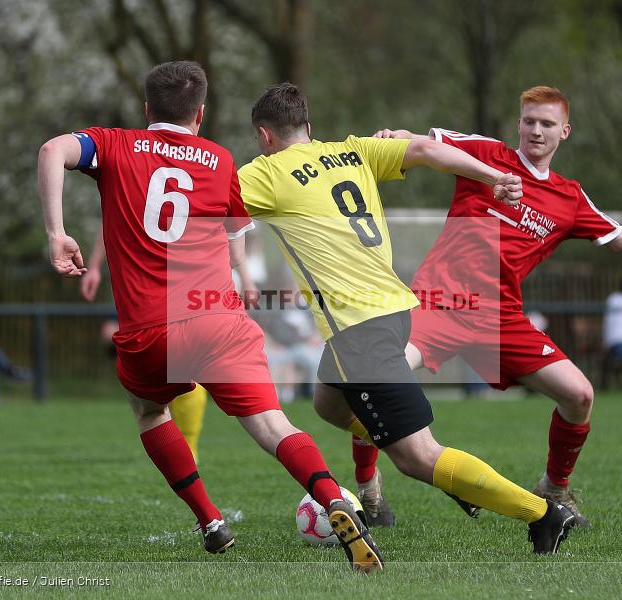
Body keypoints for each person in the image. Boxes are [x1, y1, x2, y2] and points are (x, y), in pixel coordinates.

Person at [37, 61, 382, 572]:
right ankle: (333, 497)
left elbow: (52, 150)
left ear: (146, 108)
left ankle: (210, 520)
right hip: (217, 318)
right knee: (272, 425)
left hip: (151, 329)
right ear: (201, 113)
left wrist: (55, 232)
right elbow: (235, 228)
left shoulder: (114, 143)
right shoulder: (219, 159)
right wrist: (243, 276)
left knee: (150, 411)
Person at [364, 86, 622, 527]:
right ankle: (370, 486)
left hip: (500, 318)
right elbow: (422, 144)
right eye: (529, 120)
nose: (536, 130)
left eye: (546, 124)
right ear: (519, 123)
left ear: (565, 132)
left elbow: (620, 237)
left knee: (579, 395)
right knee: (377, 373)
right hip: (441, 303)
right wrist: (390, 136)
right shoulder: (485, 155)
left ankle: (554, 487)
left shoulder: (569, 198)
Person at [238, 83, 575, 554]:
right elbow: (423, 148)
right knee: (328, 405)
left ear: (264, 136)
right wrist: (490, 175)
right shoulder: (352, 151)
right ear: (309, 128)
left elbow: (210, 203)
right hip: (394, 311)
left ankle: (541, 513)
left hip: (359, 327)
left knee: (418, 458)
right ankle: (455, 472)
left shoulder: (265, 173)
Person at [80, 229, 210, 463]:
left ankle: (188, 447)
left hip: (185, 280)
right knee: (157, 384)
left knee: (189, 370)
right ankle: (177, 445)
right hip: (140, 283)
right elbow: (108, 221)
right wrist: (95, 266)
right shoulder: (126, 201)